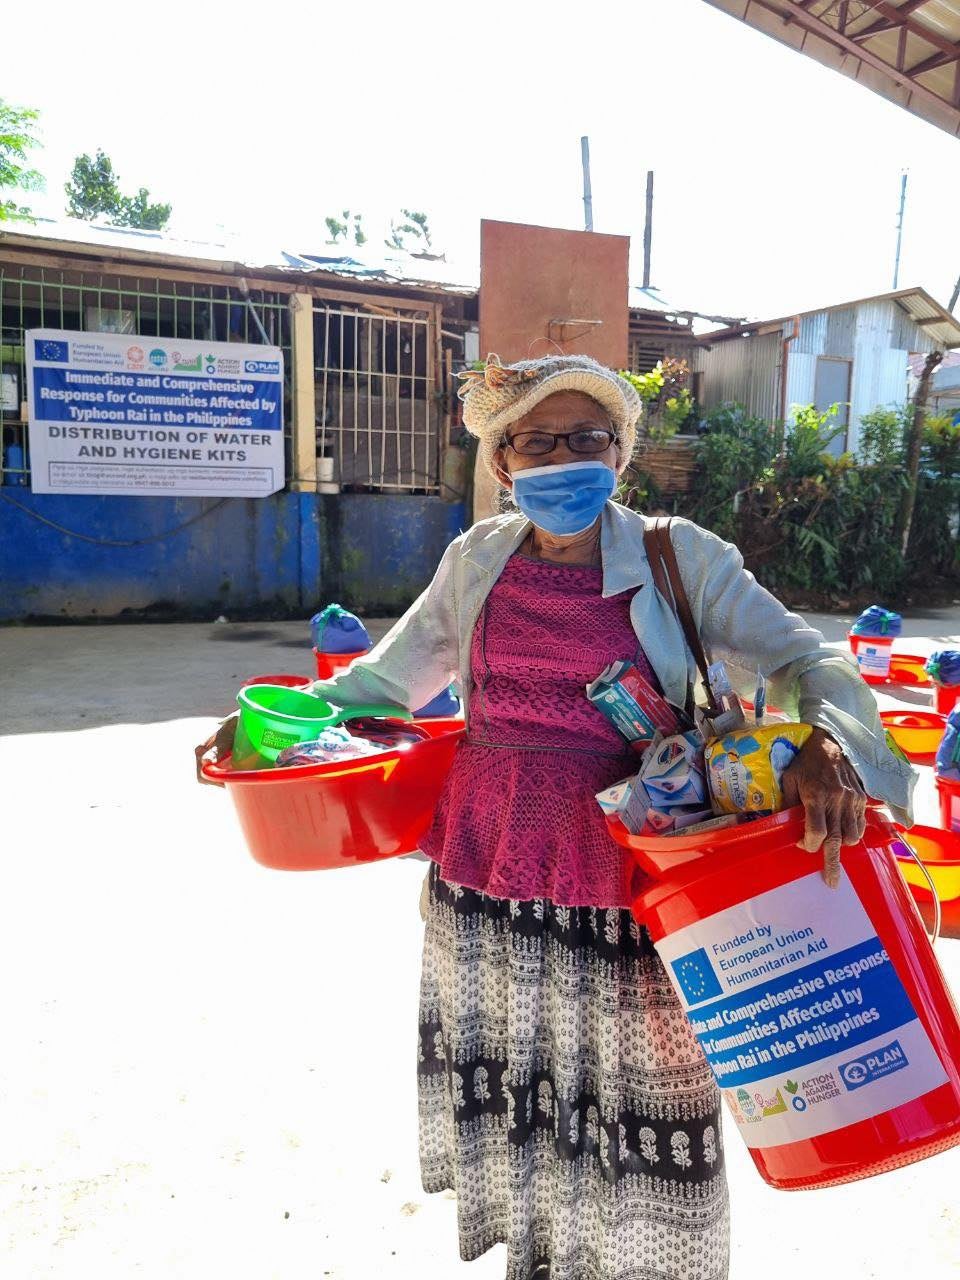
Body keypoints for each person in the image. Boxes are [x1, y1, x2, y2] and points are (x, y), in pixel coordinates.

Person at [200, 352, 915, 1280]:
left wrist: (828, 742)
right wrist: (270, 729)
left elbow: (803, 660)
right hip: (487, 873)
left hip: (637, 882)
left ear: (622, 454)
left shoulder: (678, 554)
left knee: (646, 1103)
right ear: (504, 463)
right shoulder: (476, 559)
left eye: (591, 438)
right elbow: (388, 683)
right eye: (541, 440)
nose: (568, 456)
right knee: (523, 1091)